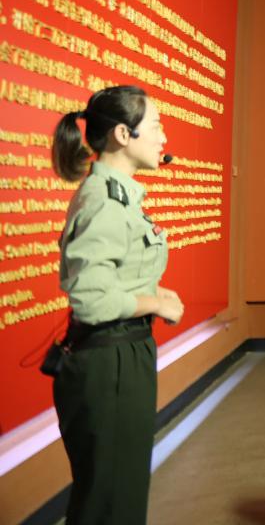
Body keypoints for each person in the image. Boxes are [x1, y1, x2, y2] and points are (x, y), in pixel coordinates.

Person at [50, 85, 183, 525]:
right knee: (109, 503)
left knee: (118, 494)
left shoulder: (118, 195)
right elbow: (92, 299)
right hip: (110, 362)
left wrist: (153, 295)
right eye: (157, 126)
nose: (164, 137)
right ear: (124, 135)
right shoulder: (105, 199)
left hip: (121, 355)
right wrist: (155, 303)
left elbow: (114, 275)